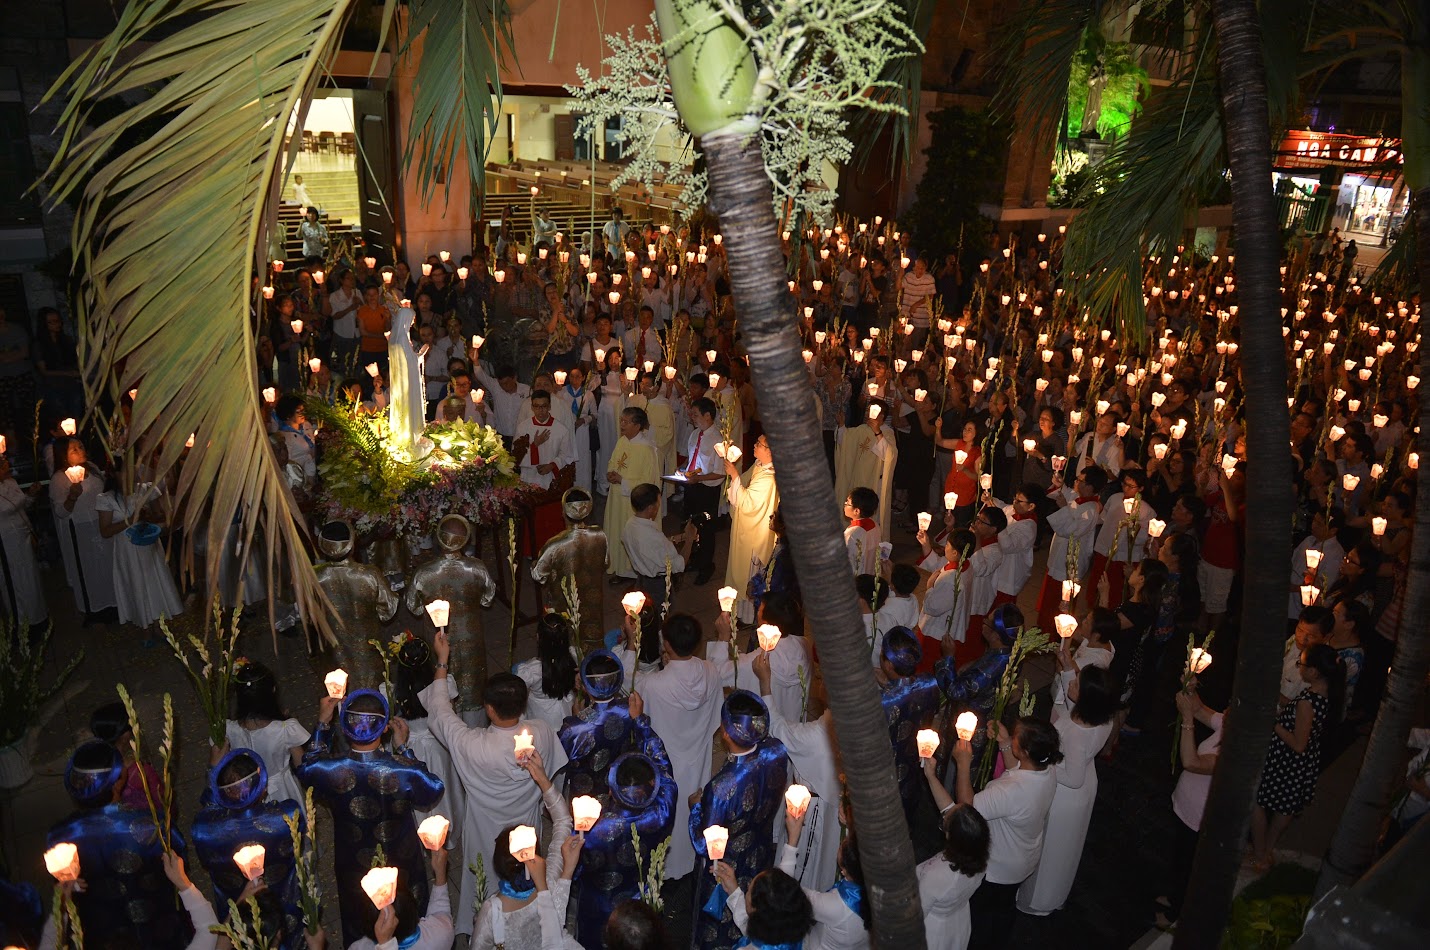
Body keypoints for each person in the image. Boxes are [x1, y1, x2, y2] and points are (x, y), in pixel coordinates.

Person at [424, 631, 570, 936]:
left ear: (489, 709)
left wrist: (442, 661)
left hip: (483, 828)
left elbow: (440, 712)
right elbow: (551, 774)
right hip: (527, 823)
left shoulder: (472, 743)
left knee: (484, 878)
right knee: (527, 869)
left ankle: (484, 925)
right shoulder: (541, 732)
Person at [295, 689, 444, 945]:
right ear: (385, 728)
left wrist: (322, 722)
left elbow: (306, 767)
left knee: (359, 905)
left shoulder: (330, 770)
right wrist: (404, 749)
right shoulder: (401, 768)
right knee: (405, 903)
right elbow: (432, 789)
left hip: (353, 856)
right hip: (401, 853)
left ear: (343, 727)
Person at [47, 740, 193, 948]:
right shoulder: (153, 824)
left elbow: (61, 884)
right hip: (157, 919)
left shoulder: (58, 836)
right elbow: (180, 860)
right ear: (117, 783)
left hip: (101, 928)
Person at [615, 613, 723, 880]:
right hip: (697, 755)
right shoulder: (710, 671)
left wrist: (631, 642)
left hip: (666, 761)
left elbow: (625, 681)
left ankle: (665, 871)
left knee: (666, 812)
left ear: (667, 645)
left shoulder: (654, 684)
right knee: (693, 806)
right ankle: (691, 861)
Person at [950, 716, 1062, 950]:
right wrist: (1004, 743)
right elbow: (1017, 769)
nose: (1011, 738)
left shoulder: (1012, 791)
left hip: (999, 868)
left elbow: (967, 808)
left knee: (981, 917)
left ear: (1024, 751)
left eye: (1015, 738)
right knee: (1003, 910)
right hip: (1024, 858)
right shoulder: (1047, 769)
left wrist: (963, 763)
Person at [690, 691, 791, 950]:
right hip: (760, 849)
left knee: (718, 920)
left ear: (725, 732)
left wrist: (695, 809)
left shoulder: (721, 788)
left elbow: (705, 844)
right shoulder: (777, 750)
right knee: (756, 904)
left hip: (727, 865)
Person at [1017, 666, 1117, 914]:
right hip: (1084, 782)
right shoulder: (1101, 717)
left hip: (1066, 796)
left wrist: (1042, 763)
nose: (1072, 683)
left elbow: (1072, 778)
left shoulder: (1078, 733)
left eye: (1077, 683)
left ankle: (1037, 900)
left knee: (1052, 848)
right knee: (1066, 847)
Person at [190, 746, 304, 944]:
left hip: (236, 912)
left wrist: (212, 773)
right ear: (263, 787)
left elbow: (208, 806)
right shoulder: (287, 816)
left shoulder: (203, 829)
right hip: (282, 903)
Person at [469, 752, 582, 950]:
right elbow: (563, 820)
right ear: (536, 854)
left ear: (498, 865)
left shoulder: (492, 910)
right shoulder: (551, 879)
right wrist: (543, 779)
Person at [1250, 643, 1344, 870]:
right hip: (1302, 764)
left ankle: (1260, 852)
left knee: (1256, 802)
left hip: (1287, 762)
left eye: (1301, 663)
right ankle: (1267, 850)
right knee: (1286, 808)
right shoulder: (1326, 694)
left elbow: (1298, 743)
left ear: (1313, 671)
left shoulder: (1307, 702)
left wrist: (1274, 724)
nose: (1299, 666)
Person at [753, 646, 841, 891]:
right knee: (827, 859)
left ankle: (797, 904)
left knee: (803, 865)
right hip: (838, 806)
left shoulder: (815, 735)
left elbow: (777, 728)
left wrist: (765, 683)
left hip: (814, 812)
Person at [570, 751, 676, 948]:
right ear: (651, 787)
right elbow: (666, 774)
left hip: (598, 908)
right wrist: (642, 725)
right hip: (639, 905)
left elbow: (574, 870)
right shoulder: (662, 814)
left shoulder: (593, 829)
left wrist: (575, 830)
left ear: (611, 791)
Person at [406, 513, 497, 721]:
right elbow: (487, 599)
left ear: (438, 539)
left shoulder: (424, 573)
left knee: (442, 685)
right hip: (471, 636)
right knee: (474, 687)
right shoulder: (477, 568)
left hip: (438, 638)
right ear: (466, 539)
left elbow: (414, 607)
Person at [1157, 688, 1224, 928]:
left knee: (1189, 865)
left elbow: (1191, 762)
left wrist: (1186, 718)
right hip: (1186, 805)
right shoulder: (1230, 723)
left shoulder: (1232, 753)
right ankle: (1174, 895)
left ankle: (1177, 911)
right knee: (1179, 857)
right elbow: (1200, 709)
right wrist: (1191, 682)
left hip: (1198, 817)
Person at [559, 650, 664, 799]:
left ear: (585, 686)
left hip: (585, 797)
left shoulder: (574, 726)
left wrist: (579, 717)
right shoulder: (632, 710)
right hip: (622, 787)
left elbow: (562, 757)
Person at [95, 470, 182, 633]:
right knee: (136, 584)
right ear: (115, 473)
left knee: (154, 582)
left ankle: (160, 624)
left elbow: (159, 515)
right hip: (127, 550)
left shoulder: (143, 490)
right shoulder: (106, 498)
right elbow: (105, 531)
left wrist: (149, 516)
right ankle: (144, 627)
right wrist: (131, 519)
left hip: (149, 544)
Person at [877, 627, 942, 834]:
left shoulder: (883, 703)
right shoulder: (930, 682)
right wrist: (890, 684)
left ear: (887, 664)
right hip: (915, 762)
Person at [48, 436, 118, 623]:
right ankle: (94, 609)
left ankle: (114, 604)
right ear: (63, 456)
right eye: (74, 449)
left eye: (81, 446)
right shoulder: (59, 479)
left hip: (101, 523)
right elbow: (61, 512)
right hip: (80, 530)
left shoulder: (93, 468)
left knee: (107, 565)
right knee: (88, 570)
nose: (80, 450)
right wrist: (72, 496)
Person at [224, 660, 309, 807]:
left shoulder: (229, 730)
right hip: (283, 792)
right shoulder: (285, 730)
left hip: (248, 792)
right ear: (273, 691)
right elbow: (303, 766)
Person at [914, 800, 990, 950]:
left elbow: (916, 915)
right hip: (956, 919)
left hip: (933, 930)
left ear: (952, 837)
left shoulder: (937, 876)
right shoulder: (979, 857)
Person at [349, 848, 453, 950]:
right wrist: (440, 875)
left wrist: (385, 944)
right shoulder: (440, 936)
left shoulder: (358, 947)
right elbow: (441, 912)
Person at [604, 406, 660, 581]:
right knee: (617, 530)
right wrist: (610, 473)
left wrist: (623, 481)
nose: (621, 424)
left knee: (630, 534)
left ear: (637, 425)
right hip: (616, 497)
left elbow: (649, 482)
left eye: (626, 422)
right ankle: (618, 567)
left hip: (632, 502)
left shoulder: (647, 449)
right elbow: (613, 461)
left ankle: (630, 572)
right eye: (621, 420)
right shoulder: (622, 441)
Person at [622, 481, 696, 608]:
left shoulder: (630, 525)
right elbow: (679, 563)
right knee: (660, 620)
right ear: (651, 508)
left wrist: (679, 537)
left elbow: (654, 547)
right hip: (657, 587)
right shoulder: (652, 537)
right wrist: (689, 539)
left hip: (641, 581)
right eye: (658, 503)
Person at [723, 433, 780, 594]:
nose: (754, 445)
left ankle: (745, 614)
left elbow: (747, 503)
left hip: (754, 534)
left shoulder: (769, 478)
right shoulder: (759, 465)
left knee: (748, 575)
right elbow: (743, 482)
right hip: (748, 526)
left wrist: (734, 475)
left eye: (759, 444)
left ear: (770, 451)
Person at [0, 451, 47, 630]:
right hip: (6, 542)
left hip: (24, 537)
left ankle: (39, 618)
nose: (6, 465)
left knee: (30, 579)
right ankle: (22, 625)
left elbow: (23, 505)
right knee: (14, 581)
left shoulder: (11, 483)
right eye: (2, 463)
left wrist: (31, 494)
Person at [681, 396, 725, 584]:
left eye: (696, 414)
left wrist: (698, 478)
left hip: (707, 490)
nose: (692, 417)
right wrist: (683, 469)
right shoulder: (695, 434)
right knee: (691, 524)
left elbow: (720, 473)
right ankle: (695, 558)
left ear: (708, 415)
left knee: (706, 529)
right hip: (693, 486)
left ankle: (706, 566)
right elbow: (692, 457)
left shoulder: (718, 440)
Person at [835, 402, 897, 532]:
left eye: (874, 411)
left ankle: (872, 544)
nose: (869, 413)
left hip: (875, 483)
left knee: (873, 517)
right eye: (868, 410)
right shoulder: (861, 429)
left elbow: (889, 455)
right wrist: (841, 425)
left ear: (882, 416)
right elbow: (844, 443)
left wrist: (877, 432)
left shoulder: (887, 432)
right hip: (857, 479)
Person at [514, 613, 579, 733]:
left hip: (540, 717)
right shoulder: (573, 656)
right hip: (566, 709)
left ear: (538, 637)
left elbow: (517, 693)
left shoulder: (531, 670)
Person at [516, 390, 575, 490]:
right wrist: (534, 445)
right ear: (532, 407)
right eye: (536, 406)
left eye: (544, 406)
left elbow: (567, 455)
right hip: (529, 478)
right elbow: (517, 456)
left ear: (549, 407)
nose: (540, 410)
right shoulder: (522, 427)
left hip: (551, 479)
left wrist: (552, 466)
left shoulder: (561, 429)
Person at [842, 486, 882, 576]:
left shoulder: (853, 533)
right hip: (872, 573)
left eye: (847, 503)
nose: (844, 504)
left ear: (856, 511)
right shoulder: (874, 524)